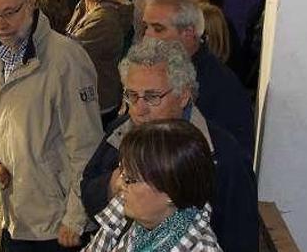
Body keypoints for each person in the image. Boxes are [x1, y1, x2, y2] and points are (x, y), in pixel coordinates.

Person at [81, 39, 259, 252]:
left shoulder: (224, 158)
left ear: (183, 95)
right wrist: (112, 185)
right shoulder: (121, 130)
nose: (138, 109)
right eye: (131, 95)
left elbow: (240, 238)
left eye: (152, 97)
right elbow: (88, 189)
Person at [0, 0, 104, 251]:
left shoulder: (66, 60)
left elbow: (87, 147)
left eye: (10, 12)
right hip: (16, 216)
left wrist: (75, 217)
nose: (1, 25)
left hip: (56, 225)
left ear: (31, 3)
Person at [82, 119, 221, 252]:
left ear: (171, 192)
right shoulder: (127, 205)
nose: (119, 184)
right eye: (122, 170)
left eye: (130, 179)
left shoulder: (200, 248)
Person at [142, 0, 254, 156]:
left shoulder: (218, 87)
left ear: (188, 33)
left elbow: (224, 159)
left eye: (158, 29)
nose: (147, 36)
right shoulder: (159, 72)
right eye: (146, 27)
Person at [66, 0, 132, 128]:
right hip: (84, 95)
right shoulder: (83, 5)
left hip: (98, 100)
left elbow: (69, 50)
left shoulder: (106, 17)